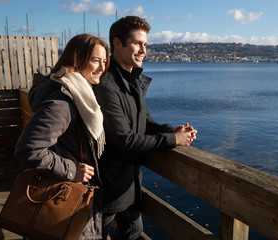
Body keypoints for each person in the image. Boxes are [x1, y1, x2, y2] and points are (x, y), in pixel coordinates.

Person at [93, 16, 197, 239]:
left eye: (145, 45)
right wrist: (172, 140)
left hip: (128, 182)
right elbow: (125, 140)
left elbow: (145, 122)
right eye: (137, 43)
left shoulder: (134, 81)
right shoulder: (106, 85)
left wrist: (173, 131)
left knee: (133, 230)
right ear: (117, 44)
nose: (143, 50)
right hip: (105, 186)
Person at [14, 33, 109, 239]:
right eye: (95, 60)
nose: (102, 67)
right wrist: (71, 170)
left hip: (67, 198)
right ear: (77, 60)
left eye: (104, 61)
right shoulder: (63, 102)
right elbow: (28, 149)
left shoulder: (76, 93)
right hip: (65, 200)